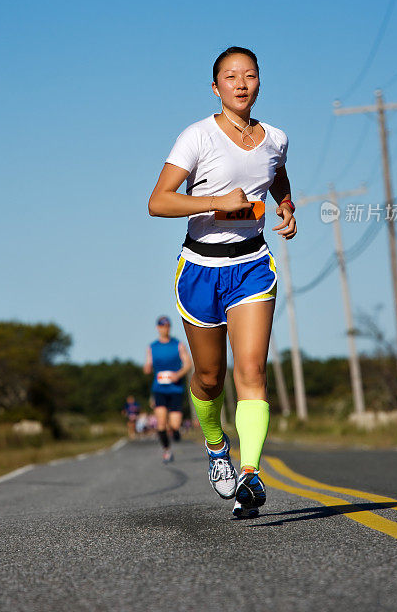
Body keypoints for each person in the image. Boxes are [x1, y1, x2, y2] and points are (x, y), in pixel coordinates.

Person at [148, 46, 297, 517]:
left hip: (252, 265)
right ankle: (216, 448)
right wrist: (214, 202)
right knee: (210, 378)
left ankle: (250, 475)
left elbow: (277, 177)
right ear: (216, 87)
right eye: (230, 76)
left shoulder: (276, 138)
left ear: (258, 84)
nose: (240, 83)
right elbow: (159, 202)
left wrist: (285, 207)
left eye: (249, 75)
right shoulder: (196, 137)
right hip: (199, 269)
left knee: (251, 372)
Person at [144, 315, 193, 463]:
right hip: (159, 389)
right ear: (157, 328)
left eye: (167, 326)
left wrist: (178, 375)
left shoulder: (178, 345)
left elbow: (188, 364)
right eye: (162, 326)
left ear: (169, 327)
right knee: (160, 423)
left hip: (175, 389)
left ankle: (176, 431)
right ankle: (166, 450)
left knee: (175, 424)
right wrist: (147, 368)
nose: (164, 328)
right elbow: (148, 365)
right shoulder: (152, 347)